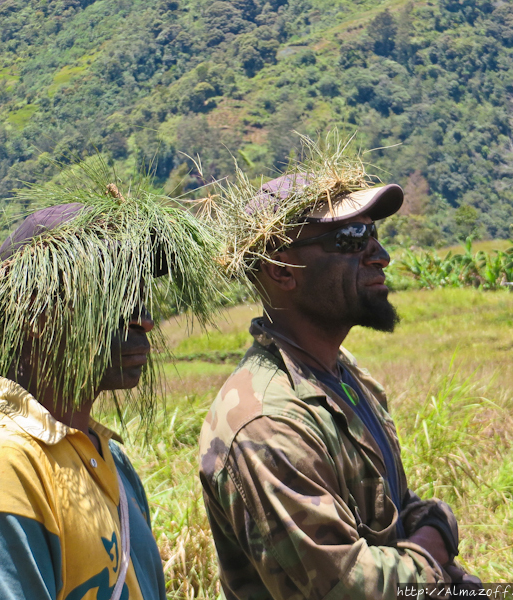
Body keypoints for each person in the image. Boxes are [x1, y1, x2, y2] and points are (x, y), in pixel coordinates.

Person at [0, 179, 223, 600]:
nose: (144, 320)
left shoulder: (109, 458)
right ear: (35, 310)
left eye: (142, 296)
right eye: (114, 294)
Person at [198, 163, 481, 599]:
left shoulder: (343, 376)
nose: (380, 255)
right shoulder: (266, 422)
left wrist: (434, 523)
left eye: (374, 233)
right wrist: (434, 548)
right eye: (352, 239)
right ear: (282, 270)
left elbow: (392, 511)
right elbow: (349, 587)